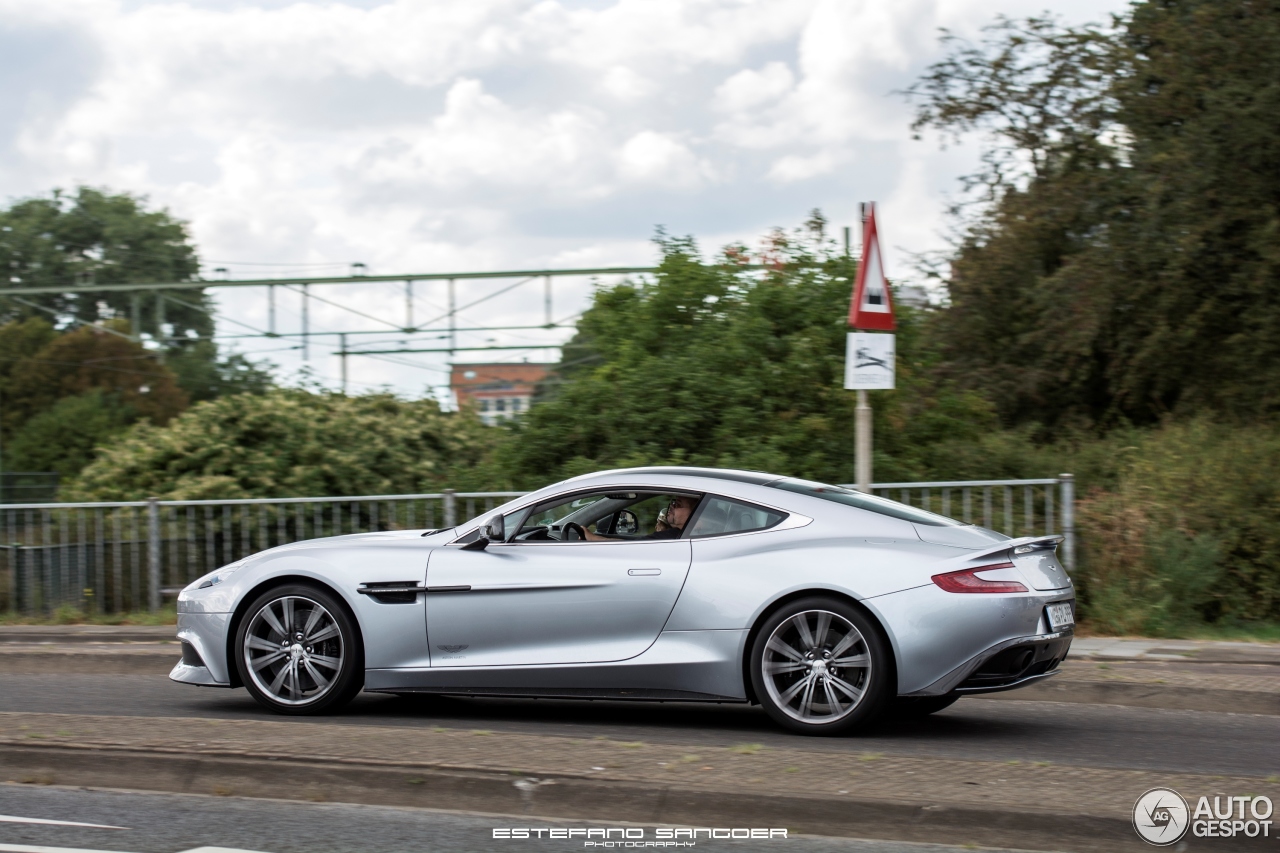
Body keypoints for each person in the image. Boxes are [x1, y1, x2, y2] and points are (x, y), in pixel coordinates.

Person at [583, 496, 696, 541]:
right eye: (673, 502)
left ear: (694, 514)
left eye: (678, 505)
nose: (671, 505)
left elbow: (630, 548)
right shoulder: (680, 535)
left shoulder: (672, 536)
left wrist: (592, 537)